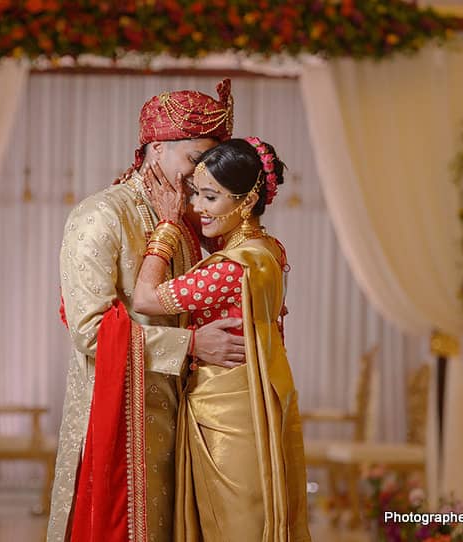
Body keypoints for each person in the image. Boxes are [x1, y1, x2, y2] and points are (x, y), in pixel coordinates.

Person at [48, 80, 247, 542]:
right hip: (119, 423)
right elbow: (90, 331)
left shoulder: (193, 220)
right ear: (156, 150)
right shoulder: (101, 216)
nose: (205, 177)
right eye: (197, 161)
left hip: (186, 419)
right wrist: (193, 344)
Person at [133, 137, 311, 541]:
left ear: (245, 201)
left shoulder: (231, 268)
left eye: (210, 197)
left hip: (224, 421)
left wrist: (165, 230)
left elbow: (145, 298)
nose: (196, 207)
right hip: (259, 408)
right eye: (196, 194)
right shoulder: (269, 250)